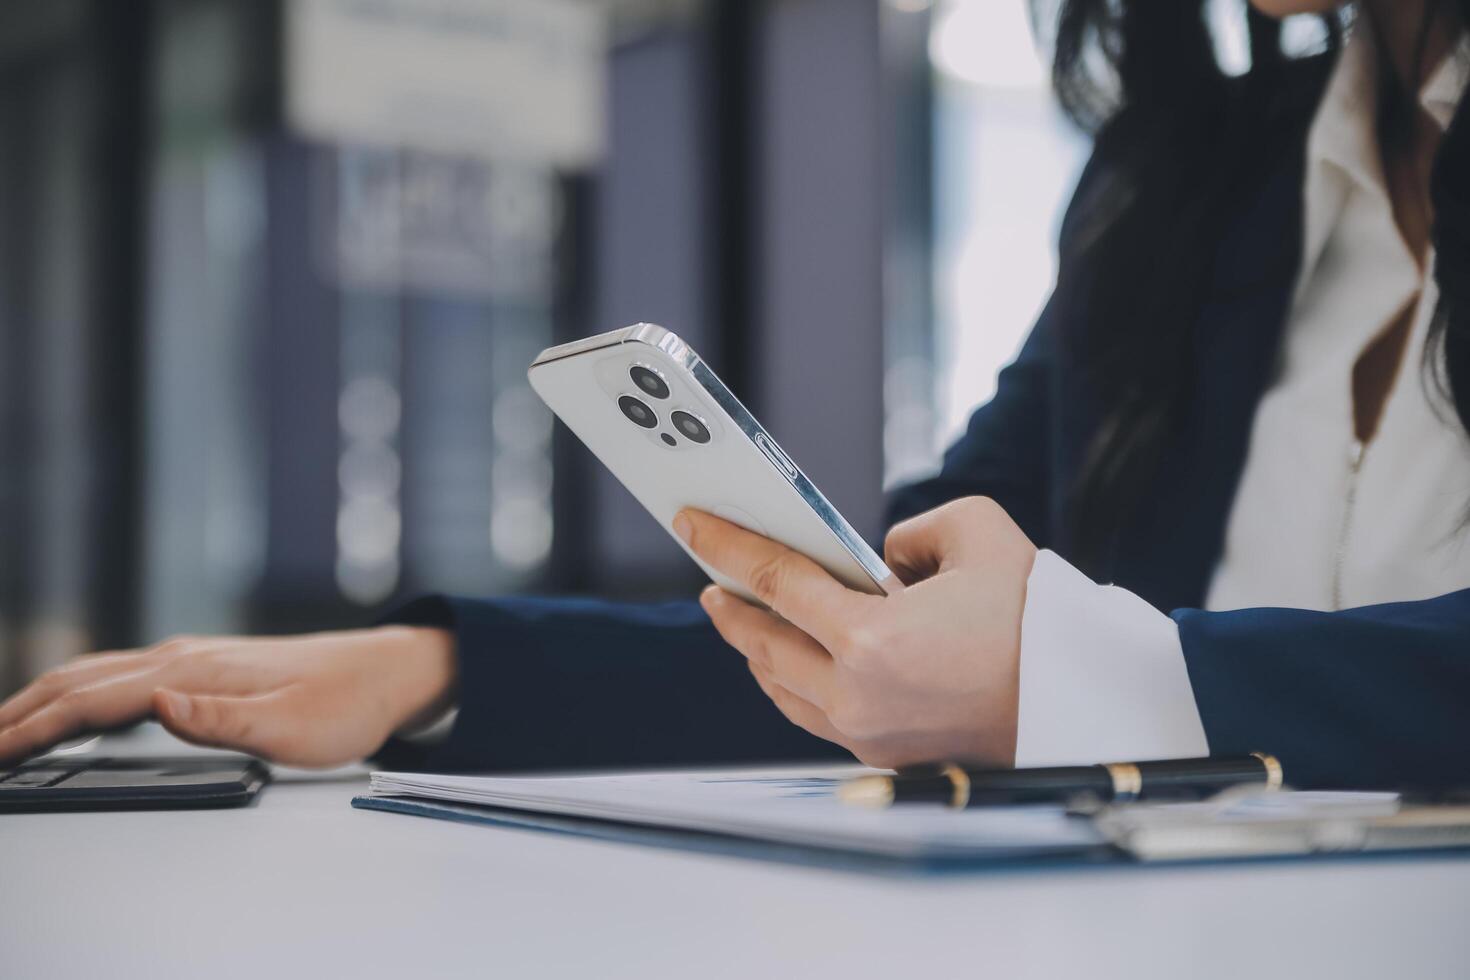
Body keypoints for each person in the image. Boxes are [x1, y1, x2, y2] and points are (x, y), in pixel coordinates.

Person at [3, 0, 1469, 791]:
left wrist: (1126, 686)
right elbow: (888, 638)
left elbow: (1043, 674)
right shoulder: (1183, 183)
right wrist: (433, 672)